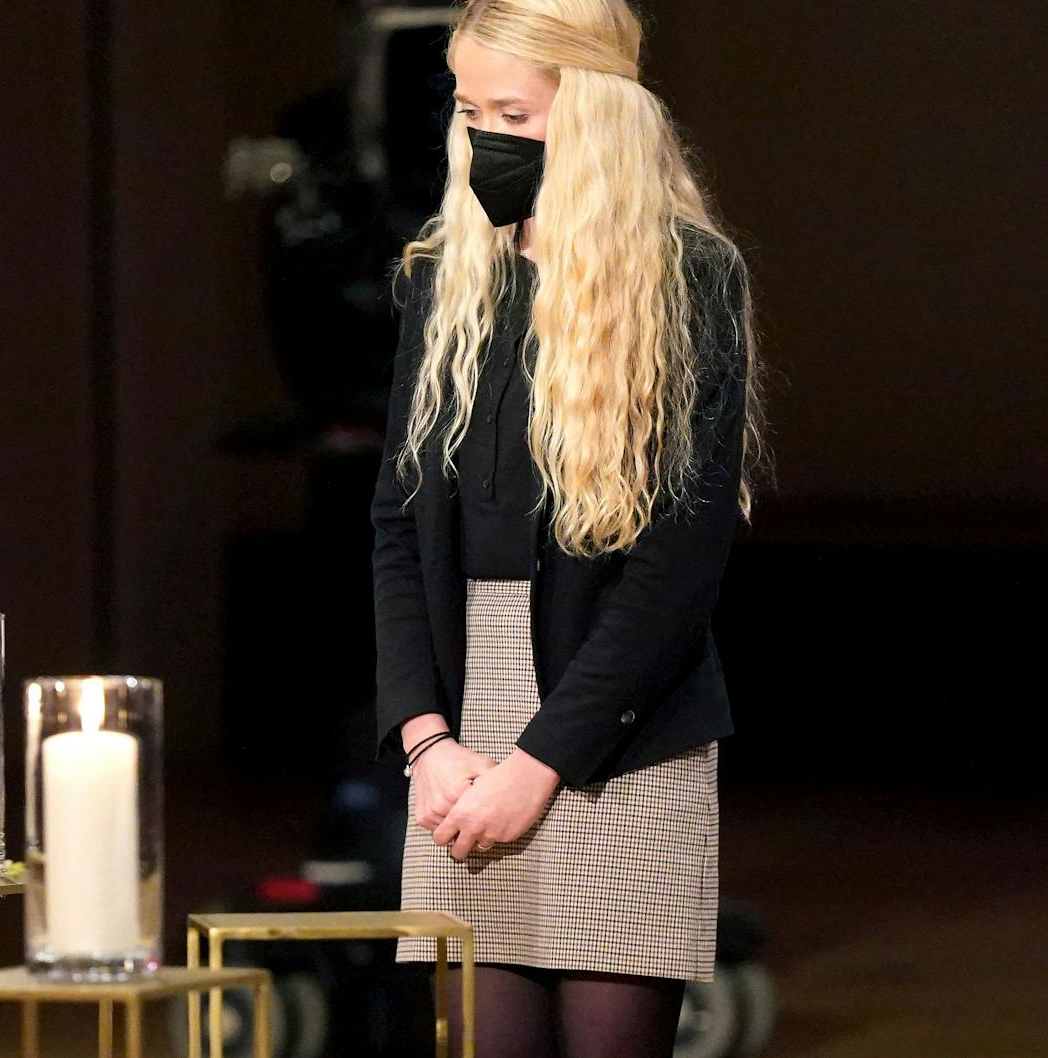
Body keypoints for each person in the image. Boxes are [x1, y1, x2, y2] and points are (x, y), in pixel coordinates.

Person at [369, 1, 769, 1055]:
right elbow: (397, 529)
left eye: (515, 110)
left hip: (617, 729)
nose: (486, 135)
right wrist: (424, 740)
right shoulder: (440, 280)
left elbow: (678, 563)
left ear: (592, 117)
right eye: (469, 108)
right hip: (462, 732)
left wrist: (540, 760)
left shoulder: (688, 276)